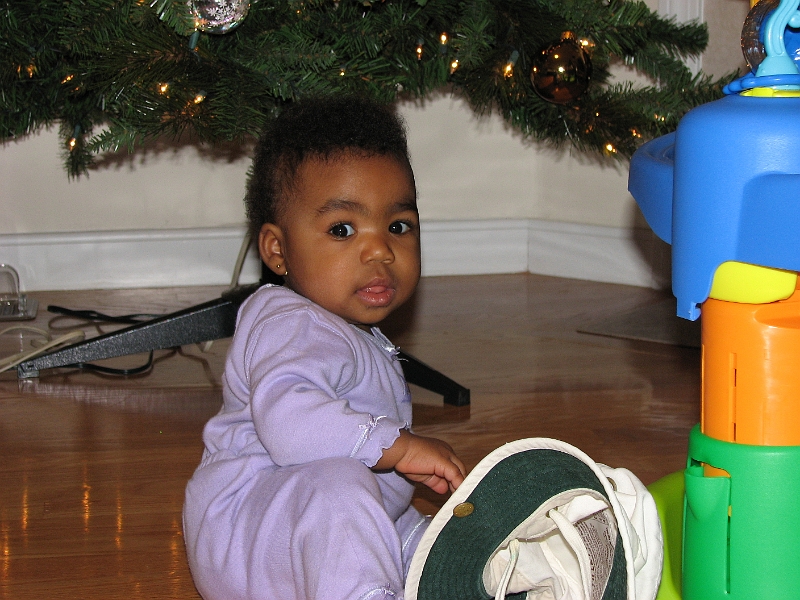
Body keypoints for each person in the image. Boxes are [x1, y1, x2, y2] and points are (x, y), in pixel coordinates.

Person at [183, 96, 466, 600]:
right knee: (342, 488)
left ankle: (473, 571)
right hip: (250, 531)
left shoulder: (347, 329)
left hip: (310, 534)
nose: (380, 249)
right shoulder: (289, 323)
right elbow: (292, 423)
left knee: (426, 538)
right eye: (342, 229)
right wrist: (397, 447)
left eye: (398, 226)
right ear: (277, 250)